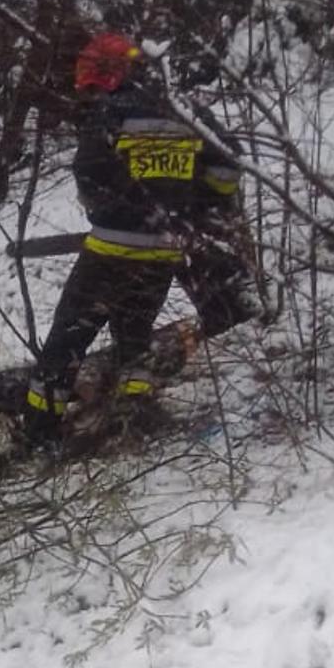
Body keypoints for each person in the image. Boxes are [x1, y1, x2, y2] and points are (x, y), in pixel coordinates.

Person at [22, 32, 263, 450]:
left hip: (110, 252)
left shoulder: (111, 114)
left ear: (109, 74)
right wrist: (190, 203)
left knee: (66, 341)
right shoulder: (184, 110)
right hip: (162, 251)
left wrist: (113, 209)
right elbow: (227, 166)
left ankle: (40, 435)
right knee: (134, 336)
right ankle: (135, 419)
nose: (91, 90)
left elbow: (90, 174)